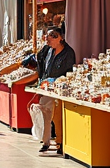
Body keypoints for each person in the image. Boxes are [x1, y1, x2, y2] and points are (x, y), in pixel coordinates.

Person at [22, 26, 77, 154]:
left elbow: (69, 72)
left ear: (60, 38)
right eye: (47, 35)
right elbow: (39, 63)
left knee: (57, 117)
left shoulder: (68, 53)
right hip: (45, 87)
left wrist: (56, 81)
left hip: (58, 89)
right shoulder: (47, 50)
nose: (48, 38)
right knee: (45, 114)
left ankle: (60, 142)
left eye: (52, 36)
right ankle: (46, 141)